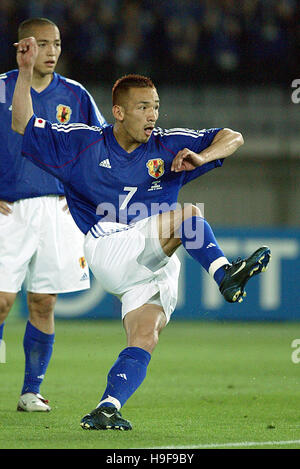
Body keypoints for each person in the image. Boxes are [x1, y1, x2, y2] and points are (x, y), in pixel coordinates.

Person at [12, 36, 271, 430]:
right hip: (109, 245)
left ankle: (107, 407)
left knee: (144, 337)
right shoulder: (82, 143)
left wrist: (204, 156)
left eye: (156, 107)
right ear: (118, 111)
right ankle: (224, 274)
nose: (152, 115)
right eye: (143, 107)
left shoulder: (169, 146)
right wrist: (26, 72)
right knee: (187, 215)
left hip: (153, 261)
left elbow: (232, 136)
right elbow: (22, 124)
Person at [0, 18, 106, 413]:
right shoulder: (2, 86)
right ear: (22, 47)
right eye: (42, 44)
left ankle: (31, 391)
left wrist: (81, 191)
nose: (52, 51)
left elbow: (98, 147)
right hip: (8, 208)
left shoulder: (76, 95)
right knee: (2, 301)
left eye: (57, 43)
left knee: (44, 301)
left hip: (59, 210)